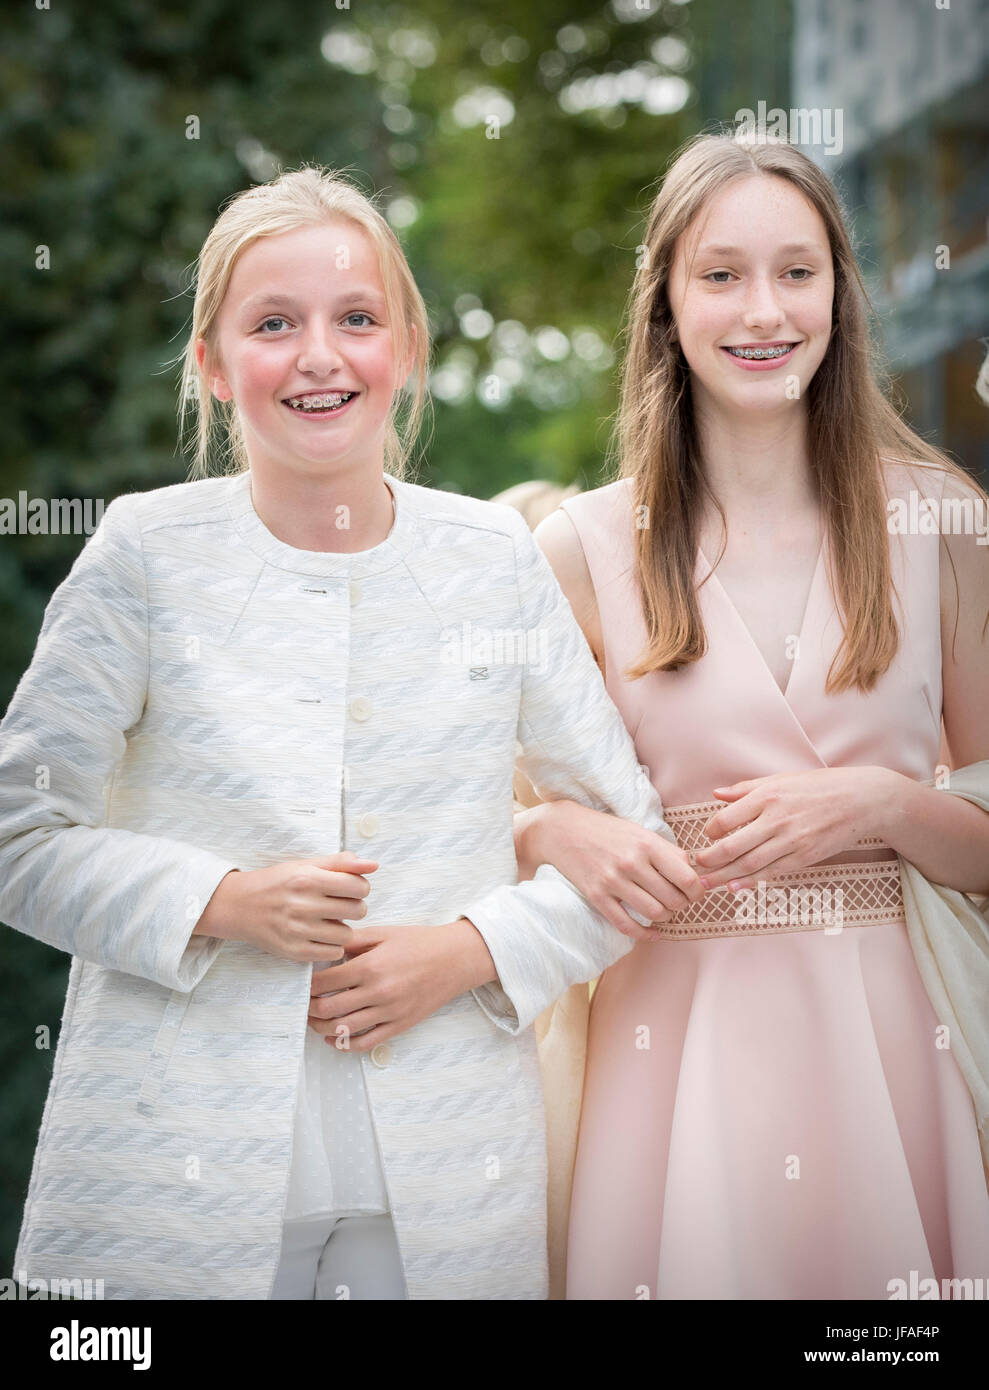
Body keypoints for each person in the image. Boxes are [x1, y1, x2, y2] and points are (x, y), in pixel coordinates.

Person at [0, 165, 705, 1301]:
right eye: (272, 324)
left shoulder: (489, 561)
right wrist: (222, 899)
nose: (318, 354)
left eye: (357, 318)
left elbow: (633, 846)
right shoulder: (143, 555)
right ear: (214, 367)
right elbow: (18, 835)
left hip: (443, 1168)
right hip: (172, 1169)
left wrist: (466, 951)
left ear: (408, 349)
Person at [512, 130, 989, 1299]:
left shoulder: (938, 519)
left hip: (894, 1048)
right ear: (664, 305)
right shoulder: (574, 550)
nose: (761, 310)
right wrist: (545, 832)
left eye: (796, 270)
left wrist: (882, 803)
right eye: (718, 275)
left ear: (839, 291)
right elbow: (477, 824)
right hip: (665, 1060)